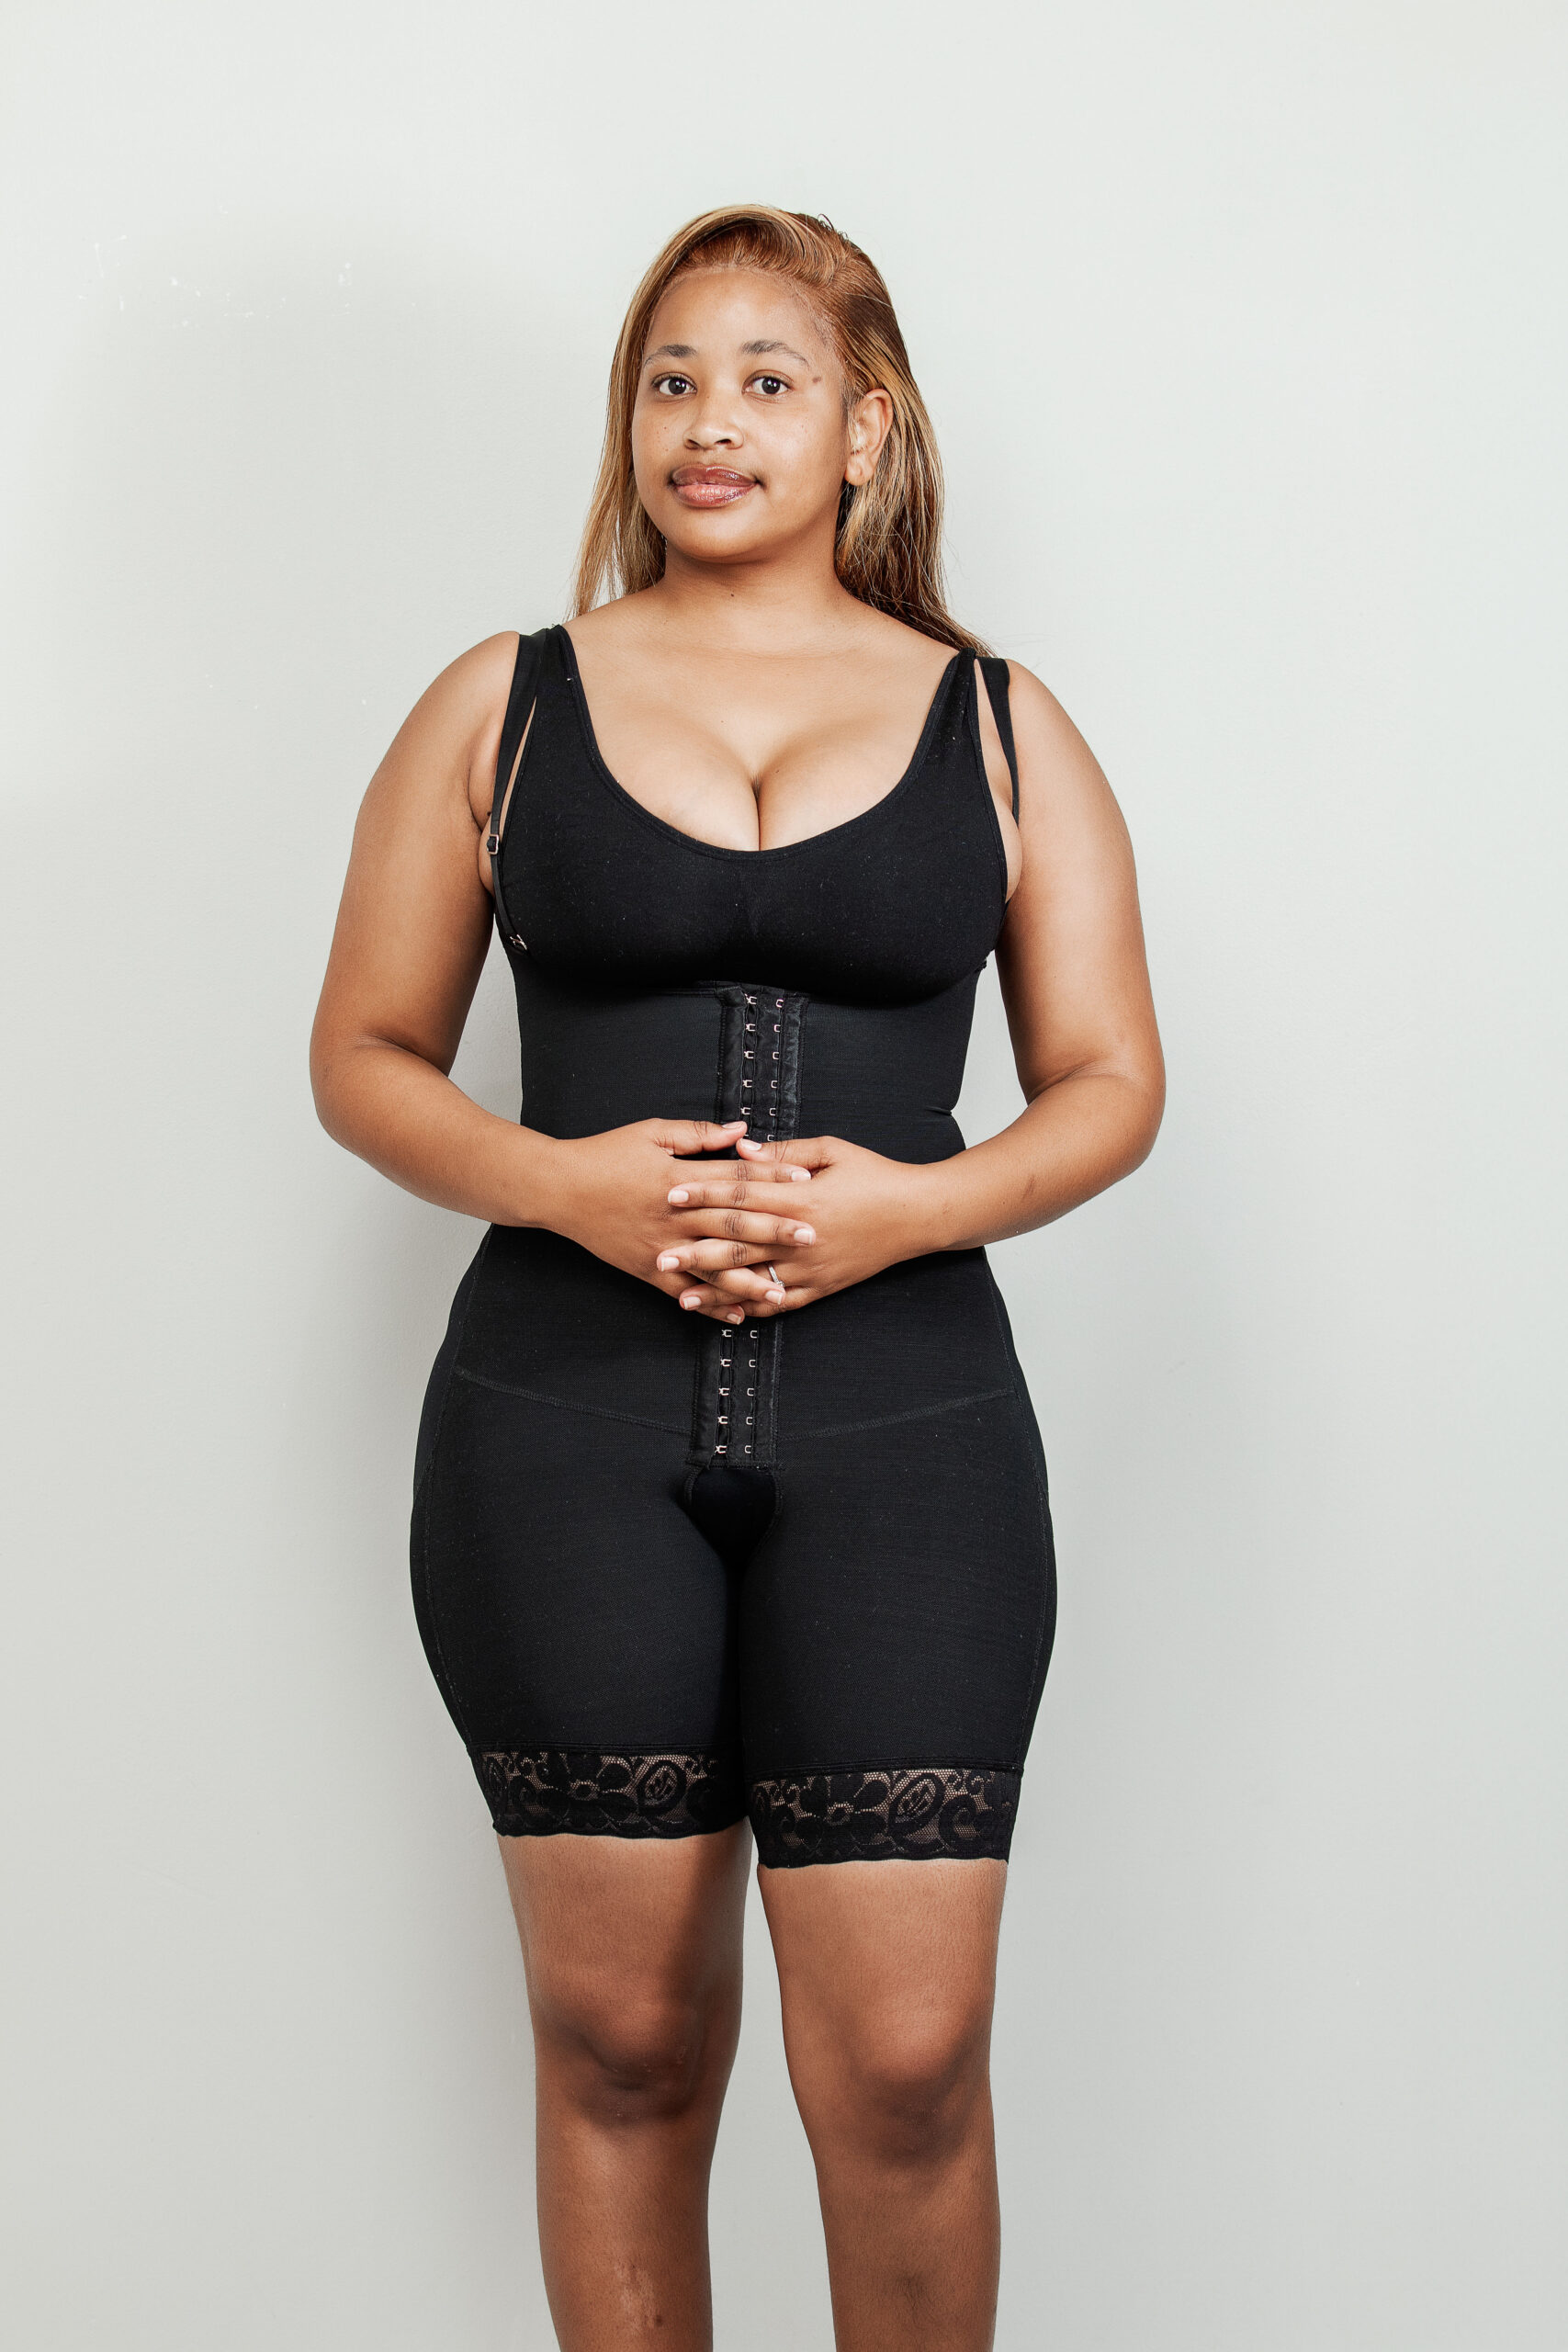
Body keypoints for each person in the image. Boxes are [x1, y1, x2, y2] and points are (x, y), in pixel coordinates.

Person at [310, 204, 1164, 2352]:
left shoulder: (998, 722)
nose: (709, 422)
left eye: (767, 380)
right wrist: (560, 1185)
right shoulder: (501, 701)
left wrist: (906, 1208)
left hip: (908, 1430)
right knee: (618, 2040)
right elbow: (362, 1056)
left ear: (866, 428)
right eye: (669, 379)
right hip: (558, 1422)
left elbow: (1107, 1081)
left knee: (906, 2060)